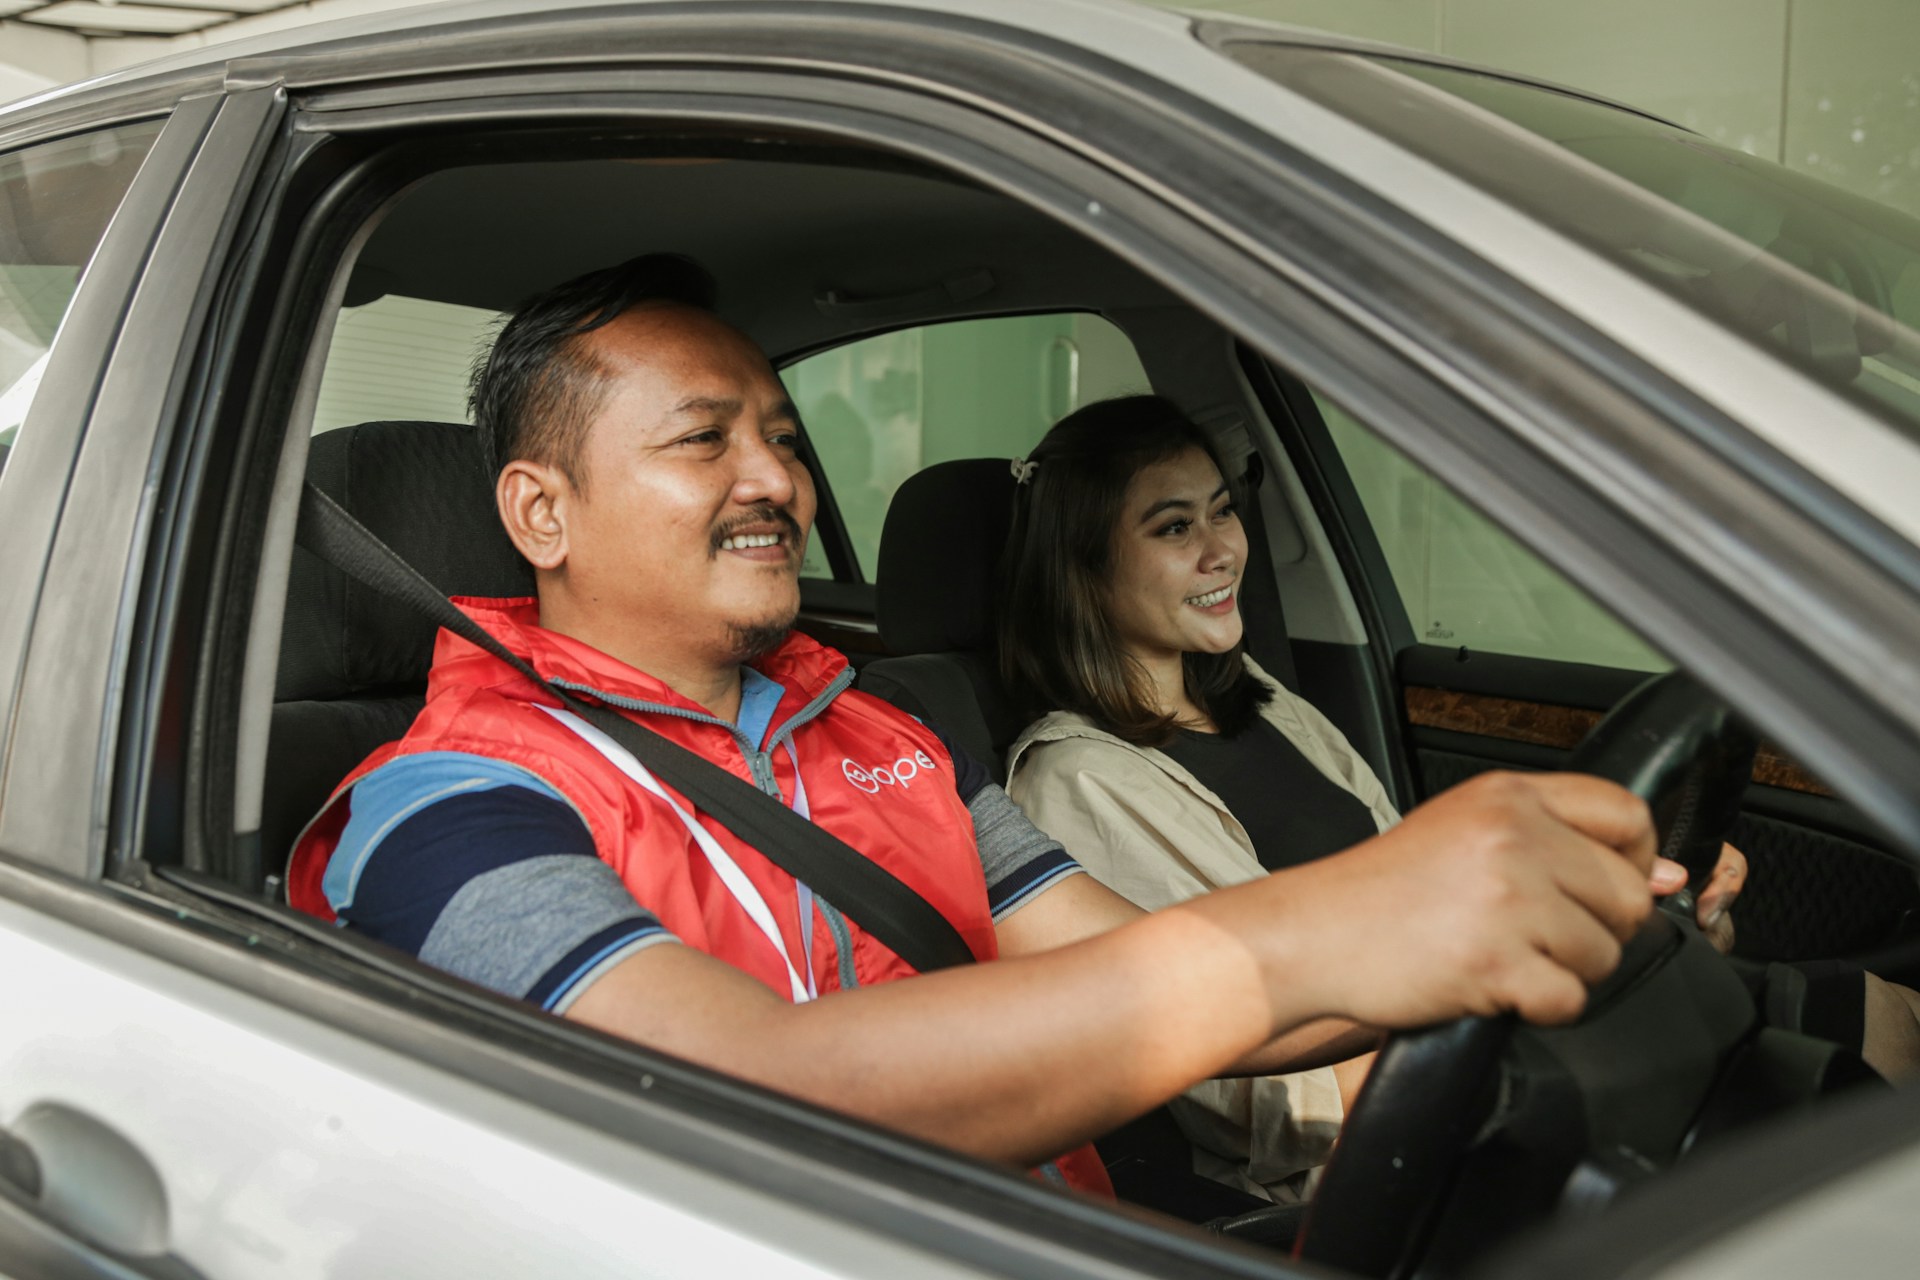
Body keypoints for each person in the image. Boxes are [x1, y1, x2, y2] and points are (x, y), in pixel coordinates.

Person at [287, 255, 1678, 1199]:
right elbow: (752, 1104)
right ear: (541, 512)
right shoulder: (447, 810)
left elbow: (1159, 991)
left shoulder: (882, 737)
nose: (779, 477)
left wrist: (1483, 931)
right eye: (705, 440)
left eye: (782, 434)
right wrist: (1337, 921)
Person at [999, 394, 1917, 1202]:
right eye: (1172, 528)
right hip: (1407, 1122)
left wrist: (1651, 927)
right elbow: (1245, 1081)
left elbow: (1427, 888)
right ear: (1082, 568)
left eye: (1224, 511)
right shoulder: (1076, 780)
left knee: (1883, 1015)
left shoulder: (1262, 702)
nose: (1221, 549)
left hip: (1481, 1030)